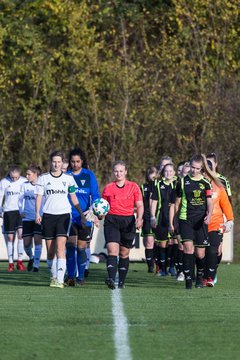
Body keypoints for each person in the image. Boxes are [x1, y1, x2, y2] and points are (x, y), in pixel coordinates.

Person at [35, 150, 85, 288]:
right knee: (50, 251)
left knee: (61, 248)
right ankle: (53, 276)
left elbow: (73, 197)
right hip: (48, 216)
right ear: (50, 163)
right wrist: (37, 213)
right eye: (54, 162)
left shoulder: (68, 179)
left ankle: (60, 280)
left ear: (62, 163)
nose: (56, 164)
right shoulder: (43, 179)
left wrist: (81, 213)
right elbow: (39, 197)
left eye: (59, 162)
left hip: (64, 215)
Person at [174, 154, 215, 289]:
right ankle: (188, 280)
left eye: (197, 168)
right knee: (188, 249)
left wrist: (209, 215)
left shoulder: (206, 183)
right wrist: (174, 221)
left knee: (200, 253)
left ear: (201, 169)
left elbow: (210, 202)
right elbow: (177, 203)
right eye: (192, 167)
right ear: (189, 166)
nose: (194, 170)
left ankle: (199, 276)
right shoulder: (181, 182)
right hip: (185, 219)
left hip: (200, 221)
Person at [102, 160, 144, 289]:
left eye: (121, 171)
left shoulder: (134, 186)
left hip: (128, 221)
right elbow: (103, 207)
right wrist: (99, 215)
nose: (118, 173)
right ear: (113, 172)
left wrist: (140, 218)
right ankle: (110, 278)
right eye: (116, 171)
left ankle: (121, 282)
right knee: (112, 250)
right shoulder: (108, 188)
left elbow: (140, 205)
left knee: (124, 253)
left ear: (125, 172)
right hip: (111, 220)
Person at [65, 147, 100, 286]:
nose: (75, 164)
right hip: (70, 217)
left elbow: (96, 195)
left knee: (81, 248)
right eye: (73, 162)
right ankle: (71, 276)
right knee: (71, 246)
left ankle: (81, 276)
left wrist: (95, 213)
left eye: (78, 161)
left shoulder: (89, 175)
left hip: (86, 217)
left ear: (82, 161)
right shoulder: (66, 176)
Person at [203, 160, 234, 286]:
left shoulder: (219, 188)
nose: (204, 174)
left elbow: (226, 205)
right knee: (200, 253)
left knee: (213, 251)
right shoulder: (197, 186)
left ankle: (210, 276)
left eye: (206, 172)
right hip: (199, 225)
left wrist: (230, 220)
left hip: (216, 223)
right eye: (203, 172)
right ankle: (203, 274)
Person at [150, 163, 176, 276]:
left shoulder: (178, 184)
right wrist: (152, 216)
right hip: (162, 218)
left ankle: (173, 266)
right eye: (166, 171)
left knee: (175, 242)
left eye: (170, 171)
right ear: (163, 173)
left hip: (175, 218)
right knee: (163, 244)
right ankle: (163, 269)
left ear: (174, 172)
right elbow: (154, 202)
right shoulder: (159, 185)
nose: (168, 173)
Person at [0, 166, 27, 271]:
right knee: (10, 238)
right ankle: (10, 263)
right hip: (8, 212)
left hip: (20, 212)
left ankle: (20, 262)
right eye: (12, 177)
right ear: (10, 174)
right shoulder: (4, 182)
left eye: (16, 177)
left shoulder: (24, 181)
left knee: (21, 235)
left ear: (20, 175)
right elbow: (0, 195)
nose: (14, 179)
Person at [18, 165, 43, 272]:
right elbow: (19, 200)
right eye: (26, 174)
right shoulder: (24, 185)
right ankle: (31, 257)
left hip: (39, 218)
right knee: (26, 244)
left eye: (29, 174)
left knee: (38, 241)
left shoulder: (42, 185)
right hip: (27, 218)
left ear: (35, 174)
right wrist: (21, 211)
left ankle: (36, 266)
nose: (26, 176)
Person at [141, 166, 158, 273]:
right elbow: (140, 203)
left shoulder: (160, 186)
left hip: (160, 216)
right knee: (149, 242)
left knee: (160, 242)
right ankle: (150, 266)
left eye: (154, 174)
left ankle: (161, 265)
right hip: (147, 217)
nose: (152, 176)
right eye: (150, 174)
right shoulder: (143, 187)